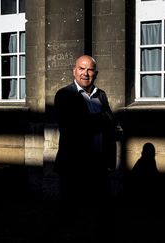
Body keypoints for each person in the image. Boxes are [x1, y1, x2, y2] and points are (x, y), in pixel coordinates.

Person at [54, 55, 119, 203]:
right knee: (74, 211)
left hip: (99, 165)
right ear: (74, 71)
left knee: (98, 210)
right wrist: (101, 119)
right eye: (82, 69)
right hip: (74, 167)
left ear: (95, 74)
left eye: (90, 70)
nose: (86, 73)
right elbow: (71, 126)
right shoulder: (65, 94)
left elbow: (111, 120)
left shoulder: (101, 94)